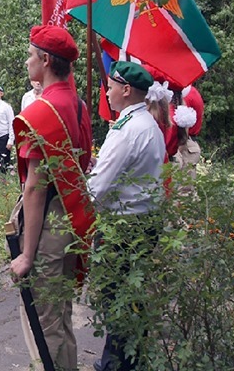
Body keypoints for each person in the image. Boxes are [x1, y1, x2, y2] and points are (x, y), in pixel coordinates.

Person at [10, 25, 94, 371]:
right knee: (62, 319)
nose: (27, 61)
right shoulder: (78, 106)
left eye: (31, 55)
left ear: (45, 60)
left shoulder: (40, 113)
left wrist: (27, 255)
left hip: (45, 227)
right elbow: (85, 161)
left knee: (45, 329)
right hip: (72, 224)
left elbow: (35, 187)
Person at [88, 61, 166, 371]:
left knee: (116, 299)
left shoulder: (124, 131)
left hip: (122, 227)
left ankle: (117, 365)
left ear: (126, 89)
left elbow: (96, 191)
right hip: (145, 221)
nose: (106, 92)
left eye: (109, 87)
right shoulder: (149, 124)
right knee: (132, 297)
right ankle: (129, 360)